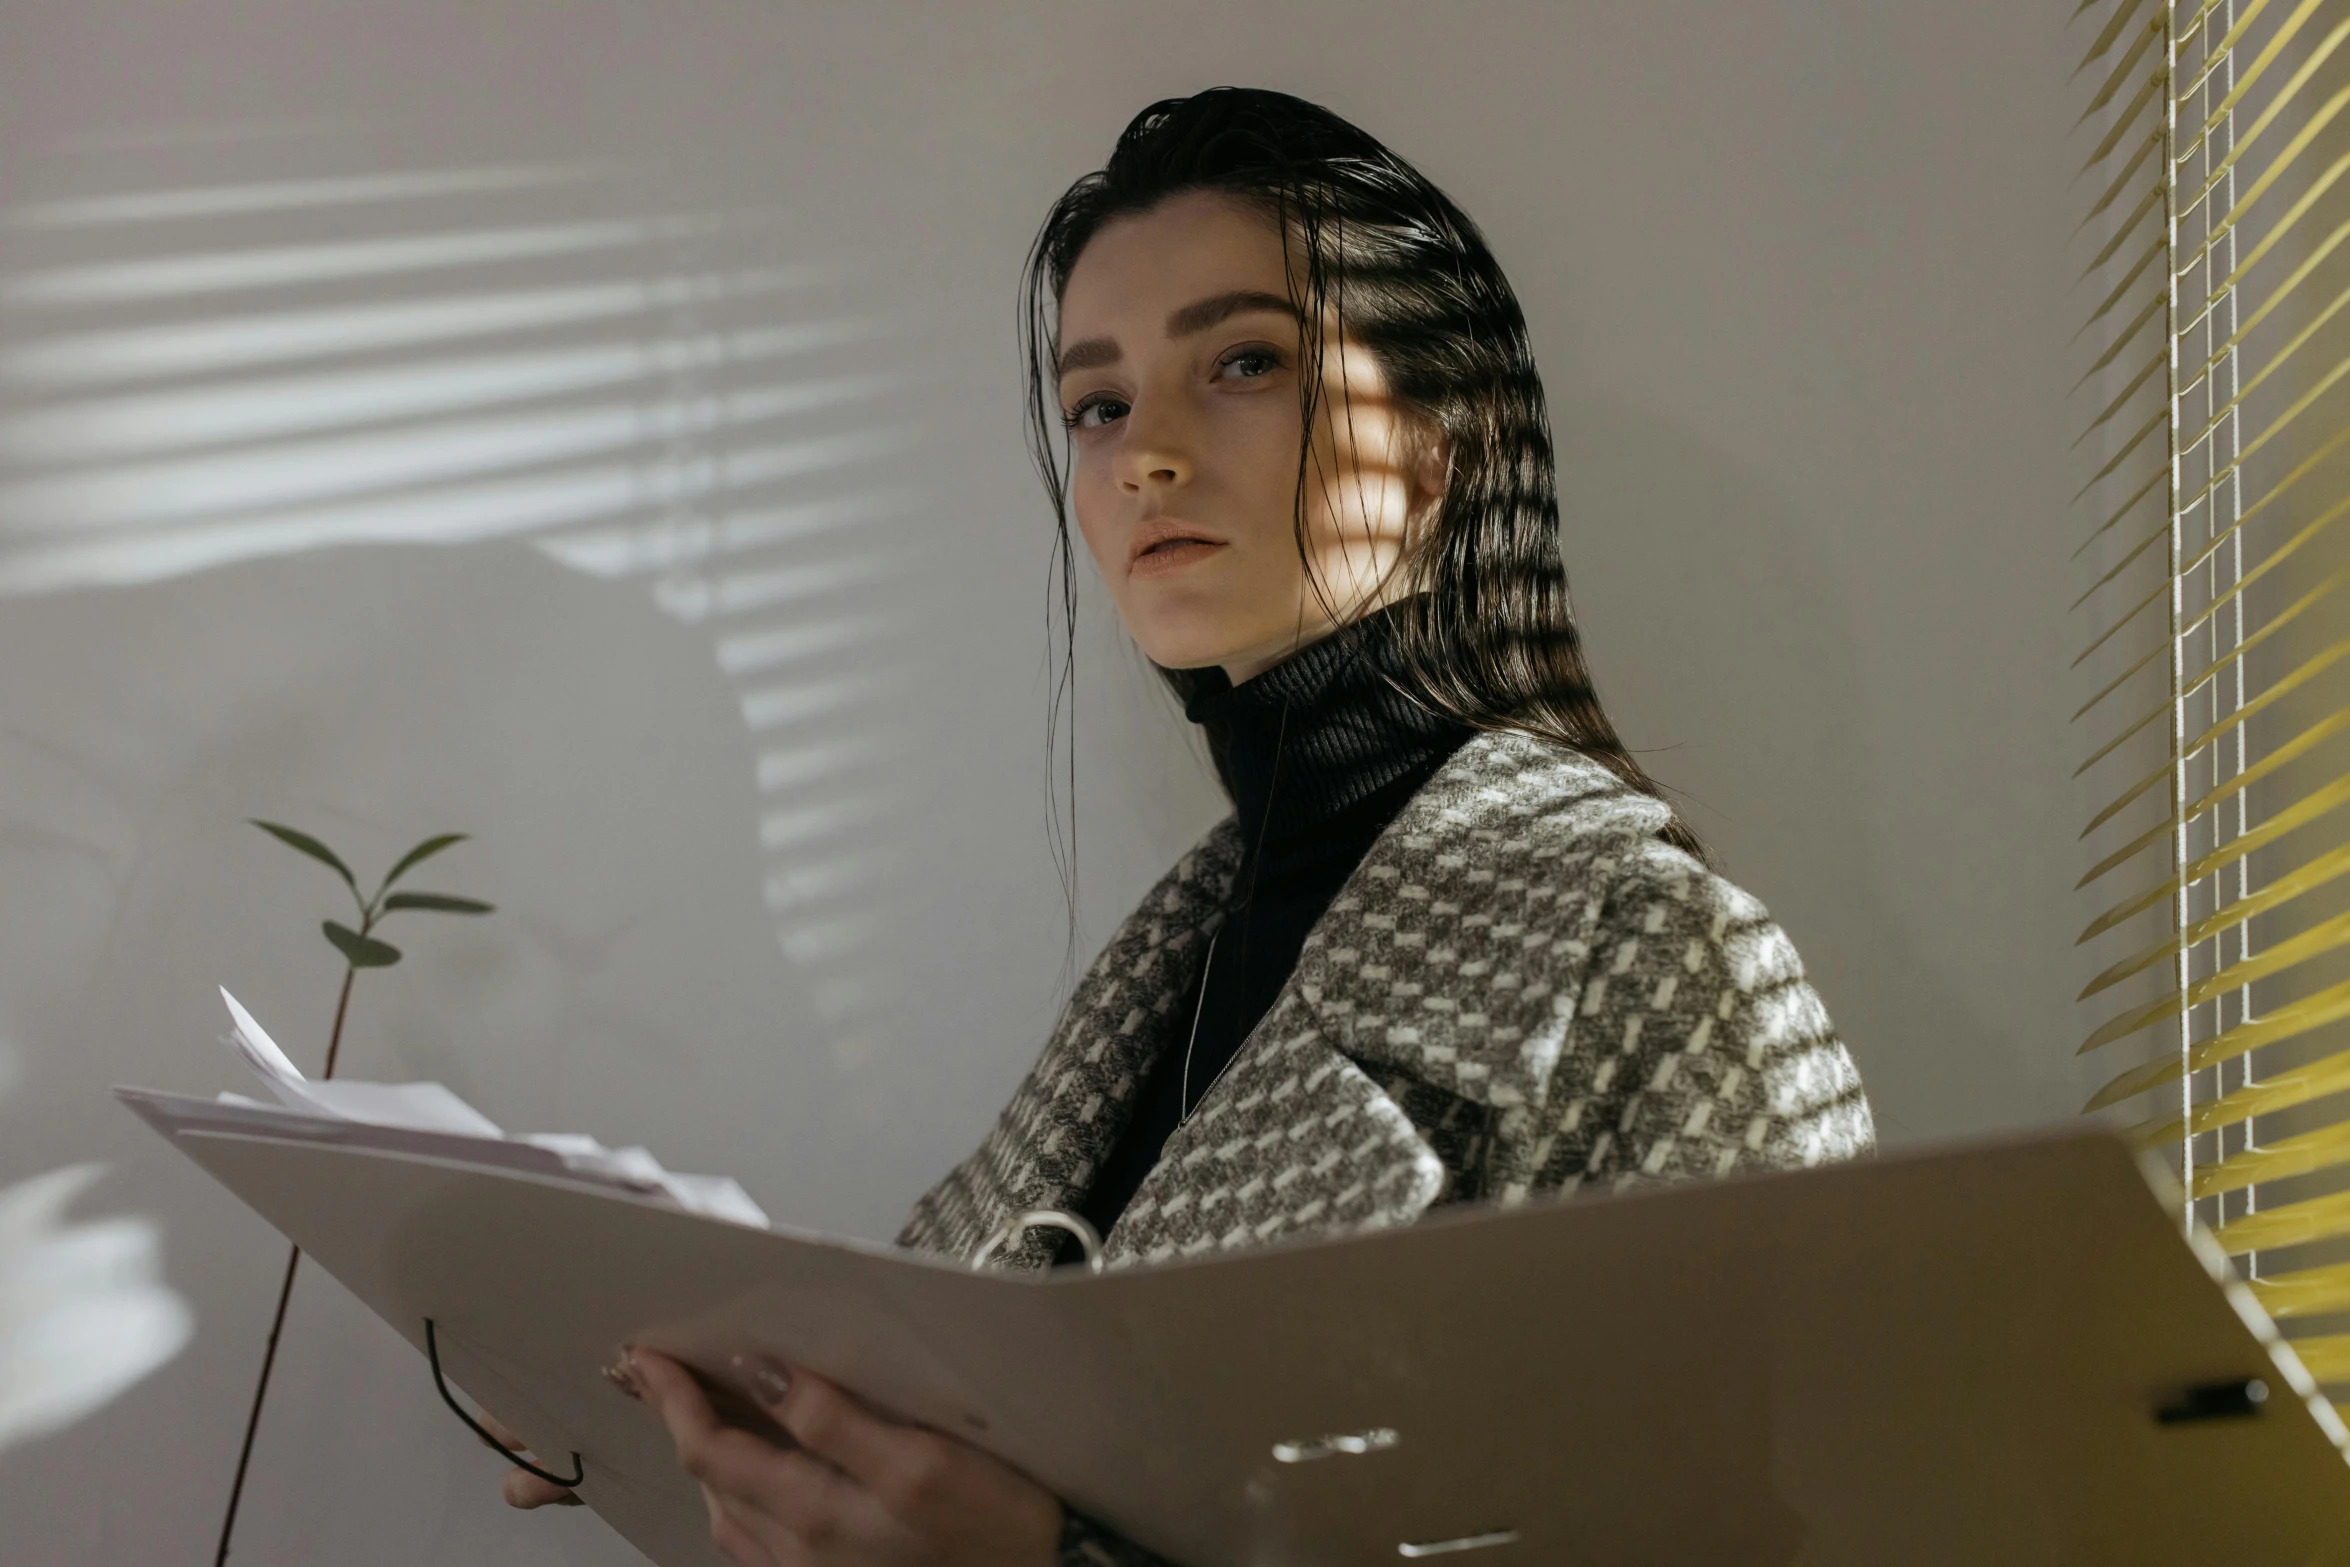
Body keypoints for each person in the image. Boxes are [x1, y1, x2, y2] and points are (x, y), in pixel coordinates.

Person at [494, 86, 1875, 1566]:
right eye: (1096, 401)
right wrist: (725, 1423)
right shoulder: (1170, 963)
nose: (1141, 450)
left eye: (1240, 361)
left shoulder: (1658, 953)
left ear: (1436, 451)